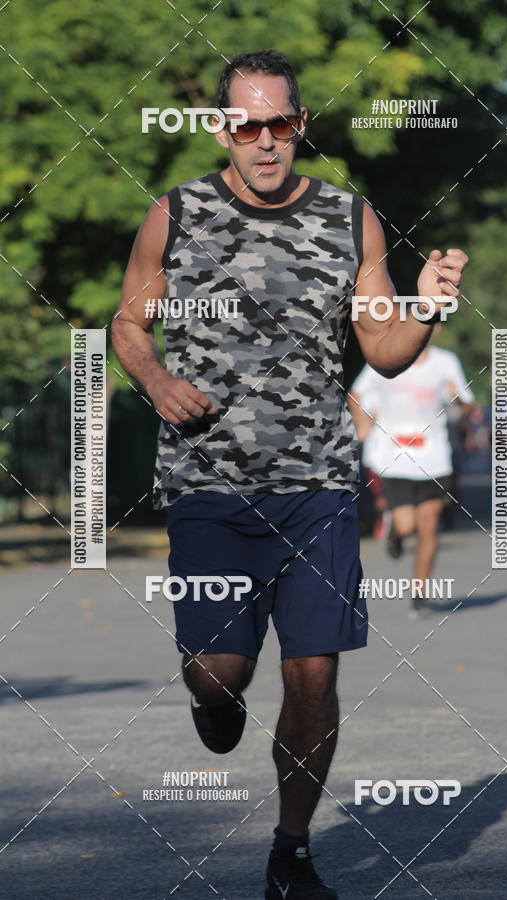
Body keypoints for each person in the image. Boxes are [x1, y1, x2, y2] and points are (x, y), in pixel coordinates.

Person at [111, 49, 468, 899]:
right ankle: (212, 698)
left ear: (300, 125)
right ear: (222, 128)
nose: (263, 141)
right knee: (220, 672)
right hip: (208, 487)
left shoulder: (353, 221)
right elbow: (129, 324)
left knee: (314, 672)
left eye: (278, 124)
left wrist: (426, 308)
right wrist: (158, 381)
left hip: (317, 486)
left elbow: (381, 351)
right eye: (246, 125)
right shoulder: (176, 215)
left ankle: (291, 851)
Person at [350, 329, 473, 617]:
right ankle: (395, 534)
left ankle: (420, 593)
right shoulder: (385, 357)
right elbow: (355, 394)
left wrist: (459, 400)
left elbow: (467, 405)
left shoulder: (446, 362)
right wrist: (362, 425)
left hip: (434, 458)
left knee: (429, 525)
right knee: (407, 526)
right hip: (395, 459)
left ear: (436, 329)